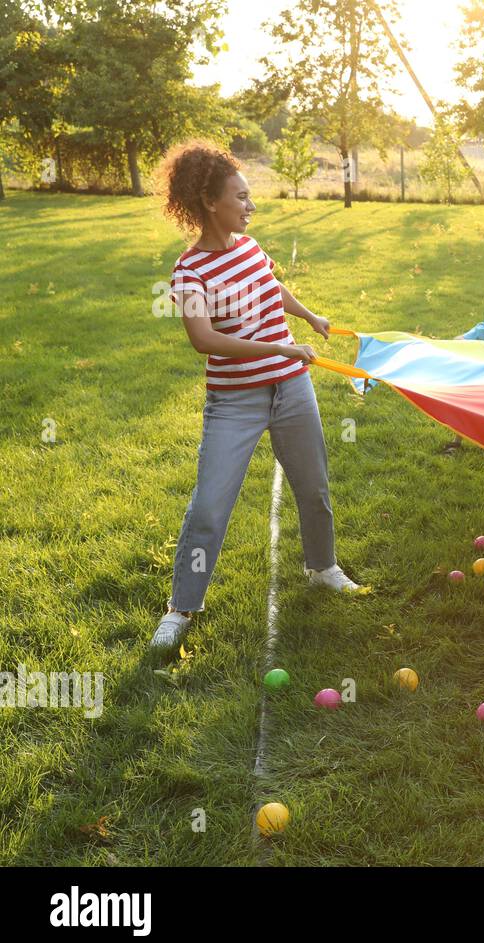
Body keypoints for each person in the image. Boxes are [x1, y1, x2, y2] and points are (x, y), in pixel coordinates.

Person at [151, 141, 361, 650]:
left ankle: (323, 567)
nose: (250, 206)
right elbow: (203, 339)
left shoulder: (249, 247)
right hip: (235, 402)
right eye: (241, 197)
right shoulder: (190, 272)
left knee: (313, 488)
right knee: (208, 507)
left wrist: (307, 315)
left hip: (291, 389)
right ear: (209, 202)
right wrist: (280, 346)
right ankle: (181, 607)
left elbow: (271, 287)